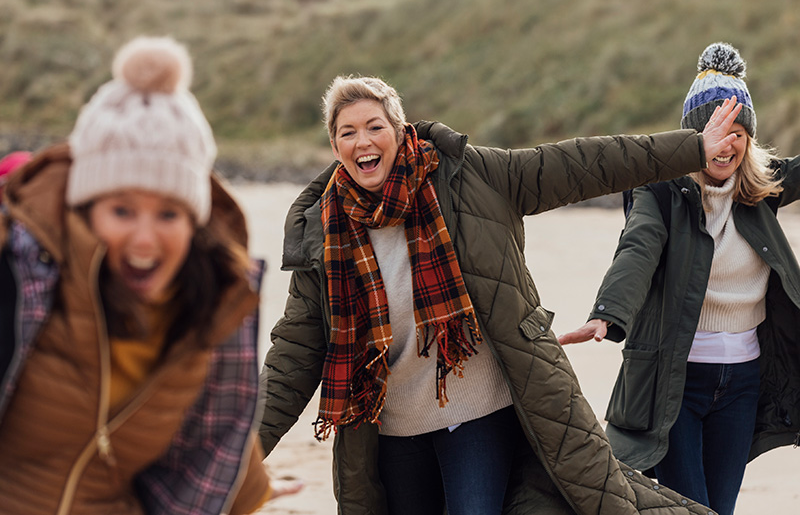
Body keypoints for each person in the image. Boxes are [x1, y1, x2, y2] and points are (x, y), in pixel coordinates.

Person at [258, 73, 743, 515]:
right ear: (335, 145)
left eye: (374, 126)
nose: (362, 140)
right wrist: (240, 452)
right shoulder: (325, 232)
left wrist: (691, 150)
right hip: (391, 431)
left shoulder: (472, 176)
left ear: (400, 129)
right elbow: (295, 354)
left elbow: (585, 164)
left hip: (478, 413)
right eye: (347, 132)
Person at [0, 36, 302, 514]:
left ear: (195, 223)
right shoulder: (18, 277)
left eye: (168, 215)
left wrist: (250, 489)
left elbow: (209, 447)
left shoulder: (210, 306)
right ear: (86, 209)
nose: (145, 240)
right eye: (122, 211)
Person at [558, 42, 800, 515]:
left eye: (737, 131)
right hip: (674, 379)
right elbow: (637, 249)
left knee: (719, 508)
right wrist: (607, 312)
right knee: (689, 509)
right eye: (714, 130)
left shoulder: (762, 188)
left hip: (745, 381)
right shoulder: (662, 192)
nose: (725, 143)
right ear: (691, 136)